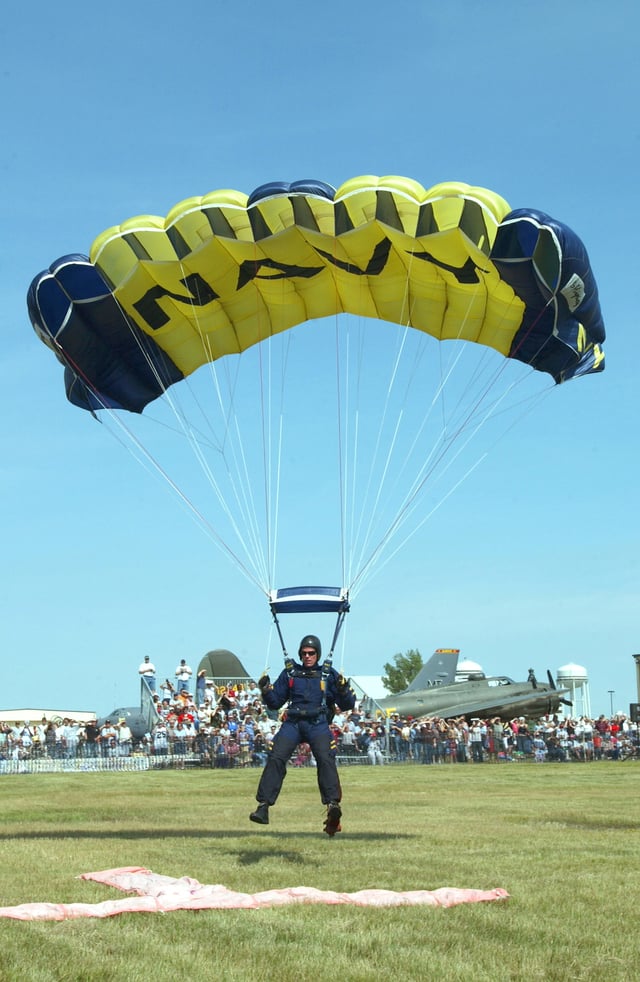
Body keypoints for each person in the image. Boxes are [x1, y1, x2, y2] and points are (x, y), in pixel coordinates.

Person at [249, 634, 356, 835]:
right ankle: (263, 806)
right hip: (294, 723)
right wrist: (265, 689)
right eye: (304, 653)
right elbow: (275, 702)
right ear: (300, 654)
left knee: (326, 758)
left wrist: (342, 689)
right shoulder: (290, 674)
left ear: (318, 654)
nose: (307, 656)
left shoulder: (328, 674)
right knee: (276, 757)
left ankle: (333, 805)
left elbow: (347, 705)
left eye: (311, 653)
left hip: (318, 723)